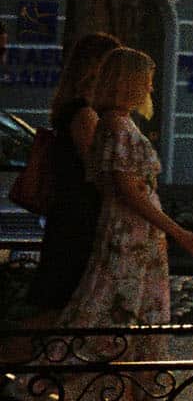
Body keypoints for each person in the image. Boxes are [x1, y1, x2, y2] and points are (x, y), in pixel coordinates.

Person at [59, 47, 193, 401]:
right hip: (131, 235)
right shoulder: (117, 125)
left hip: (134, 234)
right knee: (118, 315)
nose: (150, 86)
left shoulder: (117, 122)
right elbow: (127, 190)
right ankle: (34, 387)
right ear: (128, 81)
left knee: (132, 320)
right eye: (145, 78)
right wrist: (177, 230)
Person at [25, 27, 119, 319]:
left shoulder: (74, 109)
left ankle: (41, 359)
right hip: (77, 218)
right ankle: (32, 361)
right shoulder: (83, 114)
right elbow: (96, 166)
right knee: (63, 303)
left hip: (69, 213)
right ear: (97, 68)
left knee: (59, 302)